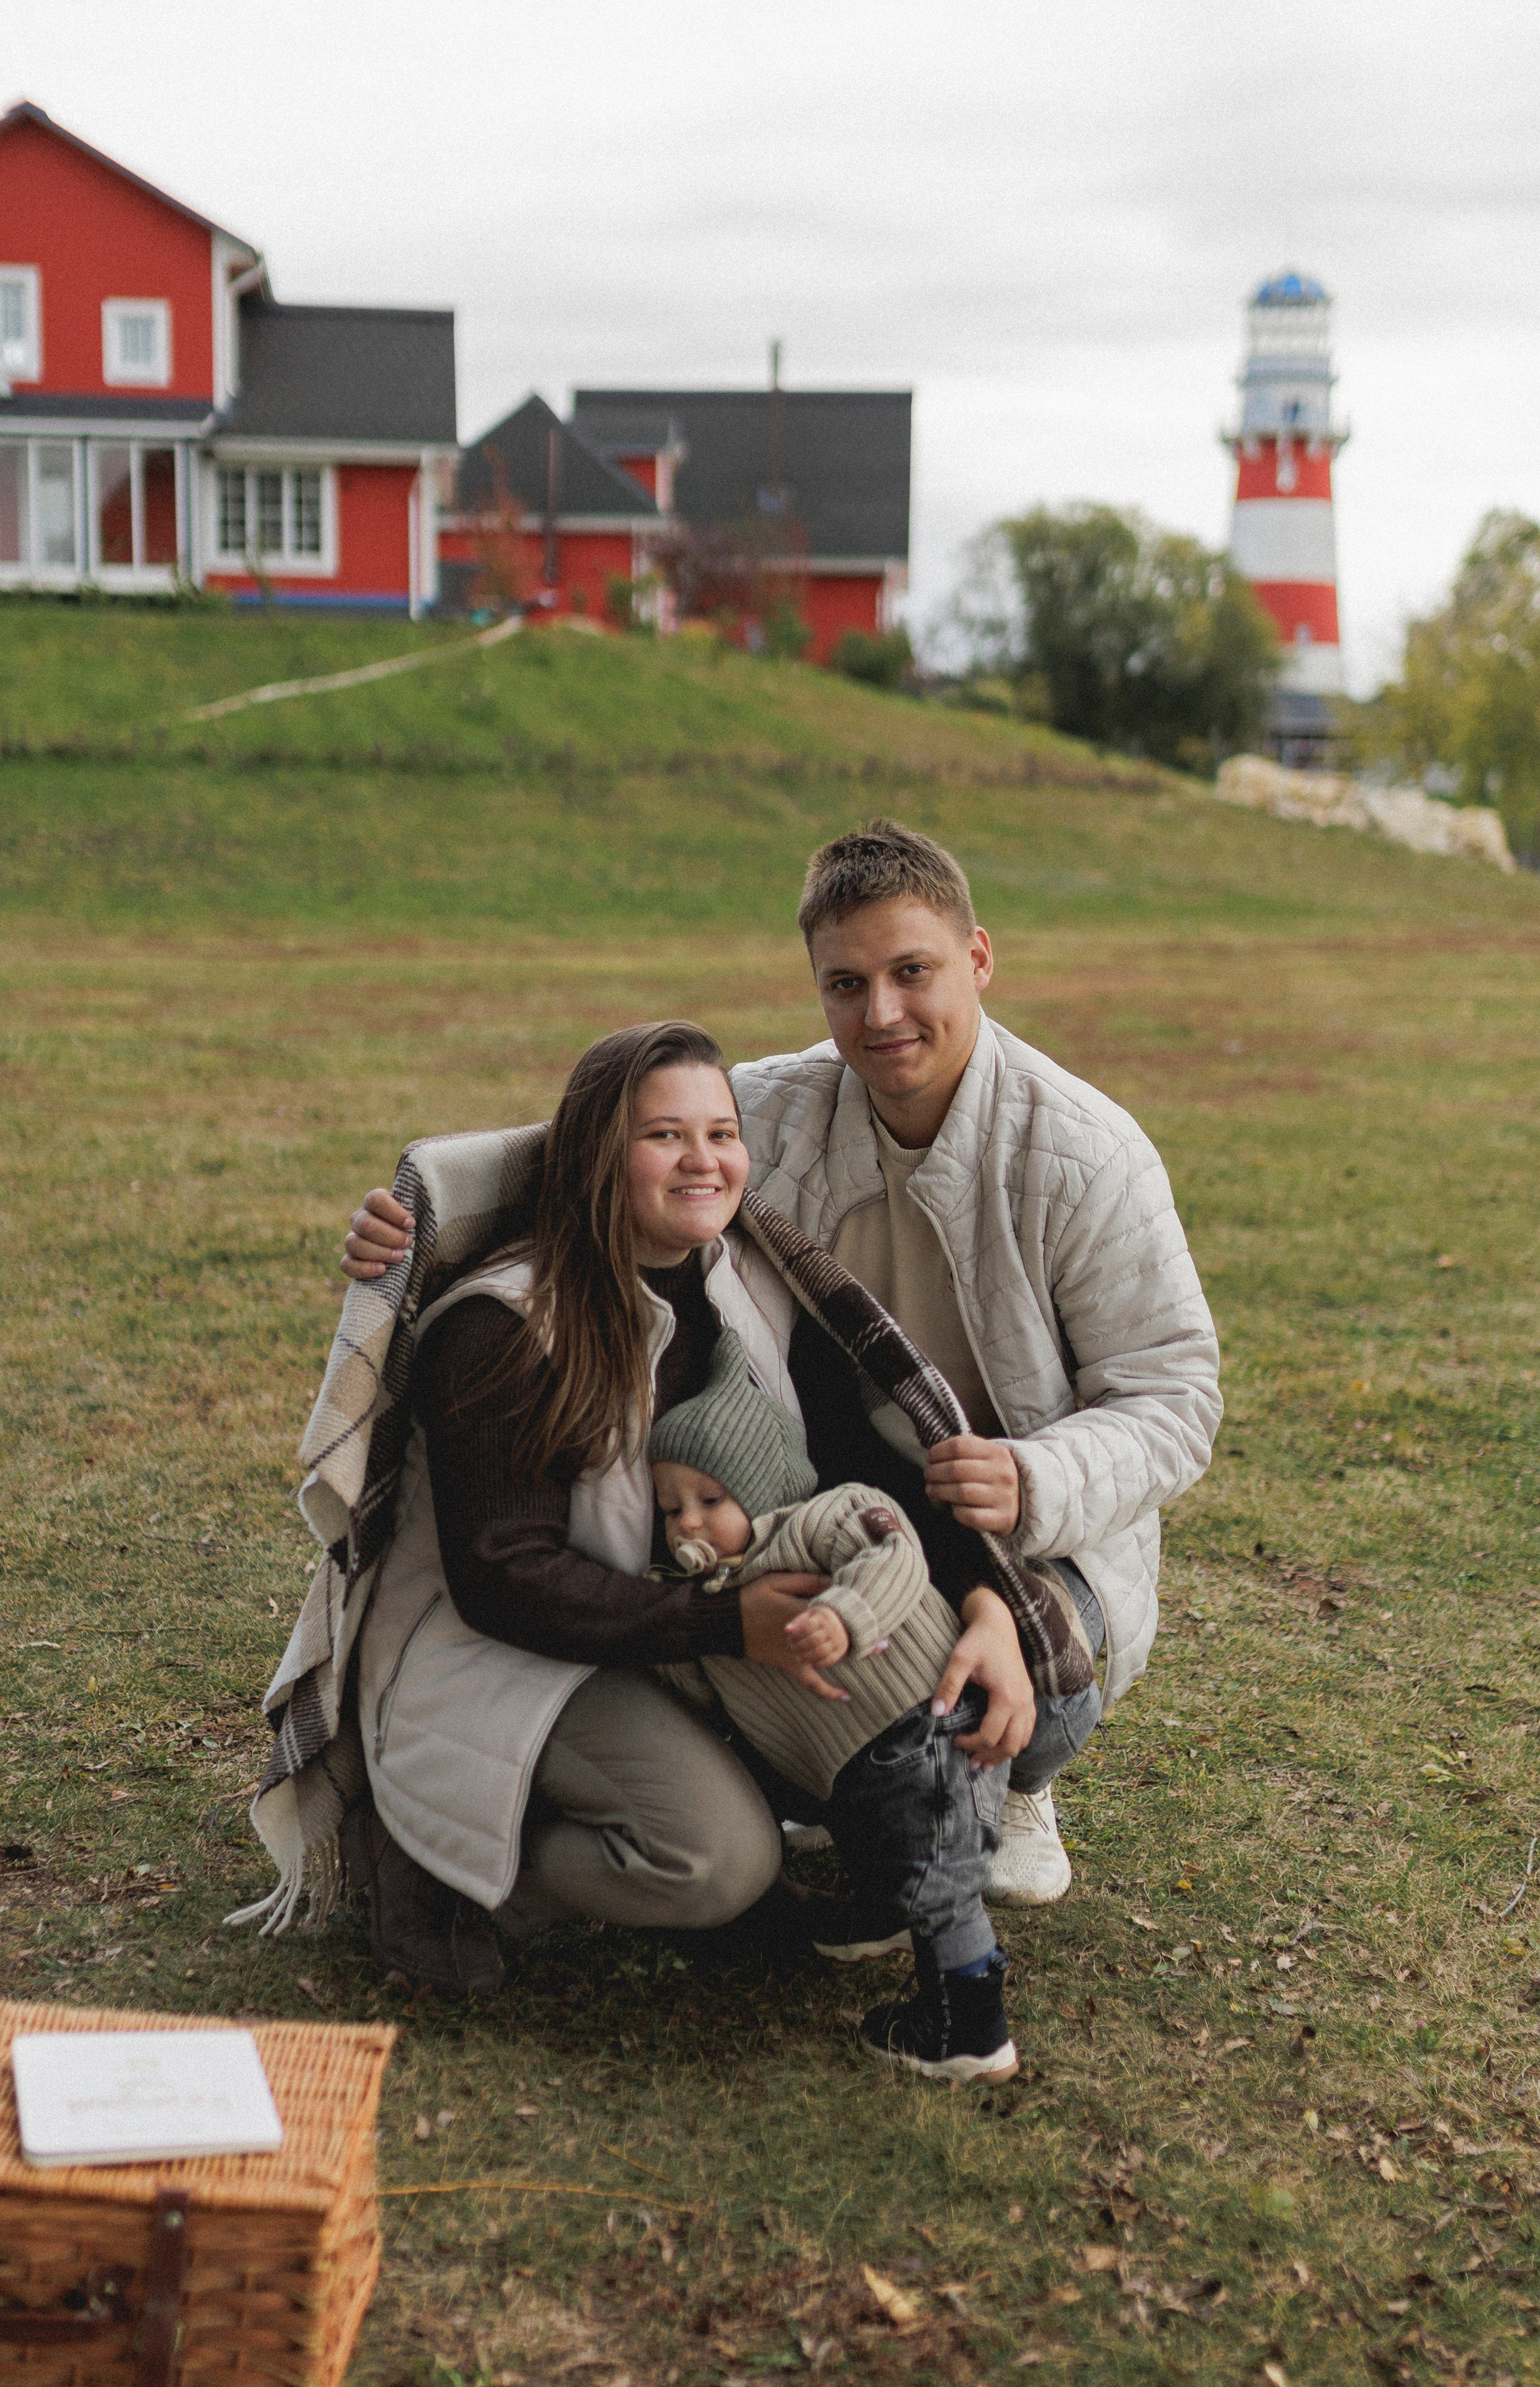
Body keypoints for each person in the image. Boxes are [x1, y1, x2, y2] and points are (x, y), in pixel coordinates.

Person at [341, 821, 1224, 1909]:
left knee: (1030, 1692)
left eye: (912, 972)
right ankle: (825, 1793)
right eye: (846, 984)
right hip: (825, 1495)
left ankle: (1008, 1789)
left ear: (980, 958)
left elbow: (1175, 1397)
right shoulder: (768, 1110)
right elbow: (602, 1139)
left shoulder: (1088, 1153)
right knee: (848, 1748)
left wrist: (1030, 1487)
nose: (881, 1014)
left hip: (1031, 1518)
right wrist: (419, 1221)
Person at [322, 1015, 1033, 2013]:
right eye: (664, 1135)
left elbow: (859, 1458)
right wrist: (727, 1625)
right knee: (716, 1862)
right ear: (595, 1157)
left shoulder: (749, 1279)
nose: (704, 1160)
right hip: (508, 1654)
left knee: (956, 1690)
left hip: (674, 1622)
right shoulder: (509, 1325)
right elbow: (500, 1576)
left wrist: (987, 1607)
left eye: (721, 1132)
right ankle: (455, 1878)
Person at [647, 1327, 1018, 2084]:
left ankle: (966, 2028)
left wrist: (846, 1614)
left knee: (941, 1879)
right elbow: (703, 1686)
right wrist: (672, 1639)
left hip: (931, 1728)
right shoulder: (714, 1603)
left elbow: (895, 1555)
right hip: (851, 1771)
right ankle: (878, 1918)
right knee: (887, 1852)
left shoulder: (825, 1517)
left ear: (763, 1485)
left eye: (710, 1499)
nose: (688, 1522)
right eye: (670, 1507)